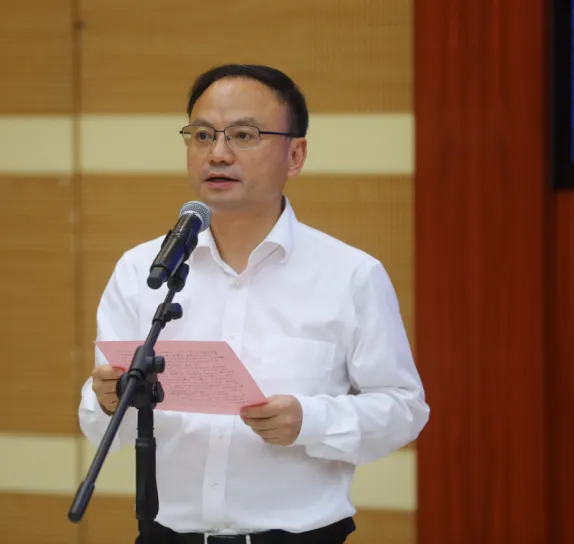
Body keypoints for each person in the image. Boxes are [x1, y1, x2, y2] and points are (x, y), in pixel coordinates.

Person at [78, 64, 429, 543]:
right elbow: (99, 425)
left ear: (295, 155)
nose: (218, 153)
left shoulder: (350, 275)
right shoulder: (144, 270)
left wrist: (310, 421)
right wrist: (105, 400)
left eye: (243, 135)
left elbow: (403, 409)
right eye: (203, 135)